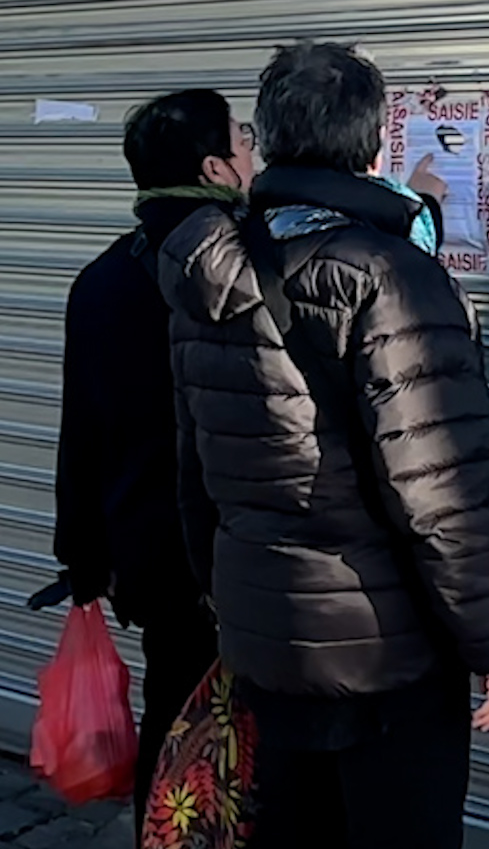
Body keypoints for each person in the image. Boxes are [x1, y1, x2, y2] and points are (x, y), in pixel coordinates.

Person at [158, 42, 489, 849]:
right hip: (387, 652)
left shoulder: (209, 268)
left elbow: (195, 473)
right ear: (374, 144)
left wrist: (233, 600)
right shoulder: (388, 274)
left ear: (267, 138)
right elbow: (440, 492)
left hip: (269, 637)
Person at [53, 90, 257, 838]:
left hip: (150, 555)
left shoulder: (101, 281)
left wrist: (83, 556)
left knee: (173, 717)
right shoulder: (248, 267)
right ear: (215, 167)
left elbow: (84, 433)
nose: (254, 152)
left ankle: (165, 833)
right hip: (243, 551)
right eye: (244, 138)